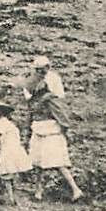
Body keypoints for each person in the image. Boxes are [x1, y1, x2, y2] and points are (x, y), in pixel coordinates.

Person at [24, 56, 85, 202]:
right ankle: (38, 191)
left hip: (52, 130)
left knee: (57, 161)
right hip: (38, 128)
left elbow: (61, 111)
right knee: (37, 162)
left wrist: (64, 129)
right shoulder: (33, 95)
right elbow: (31, 109)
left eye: (43, 69)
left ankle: (75, 189)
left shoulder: (52, 94)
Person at [0, 96, 32, 205]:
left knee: (6, 174)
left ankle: (11, 197)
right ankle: (14, 195)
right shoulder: (10, 123)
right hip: (16, 149)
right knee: (13, 172)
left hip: (8, 151)